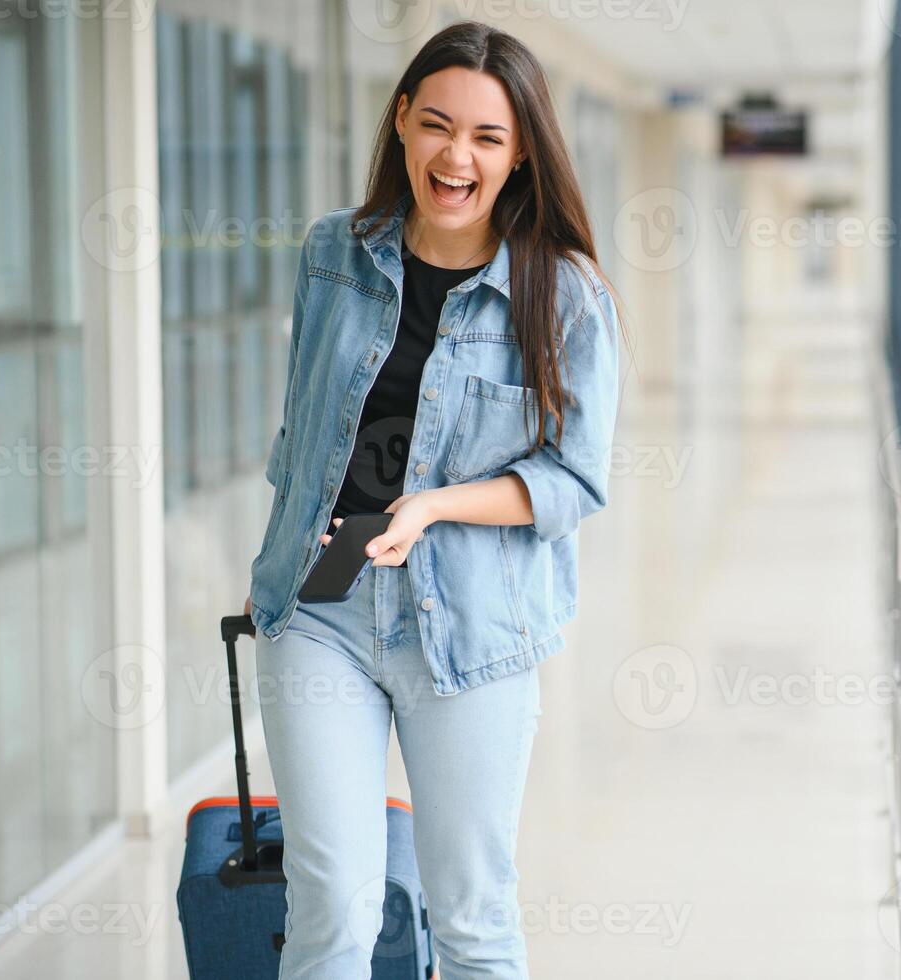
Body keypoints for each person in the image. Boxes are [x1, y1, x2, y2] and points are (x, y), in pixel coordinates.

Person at [241, 20, 626, 979]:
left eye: (488, 138)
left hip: (472, 631)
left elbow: (573, 481)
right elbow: (301, 430)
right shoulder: (337, 251)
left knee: (471, 918)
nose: (457, 156)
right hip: (322, 608)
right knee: (330, 903)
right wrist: (299, 549)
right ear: (402, 123)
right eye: (437, 126)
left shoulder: (564, 293)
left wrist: (432, 505)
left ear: (520, 153)